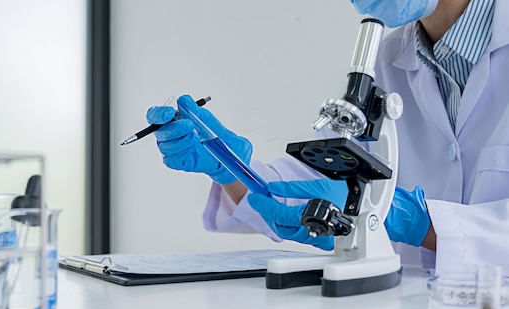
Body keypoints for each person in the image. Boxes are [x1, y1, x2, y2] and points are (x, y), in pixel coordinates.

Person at [145, 0, 509, 277]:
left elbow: (365, 202)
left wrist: (415, 220)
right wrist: (231, 167)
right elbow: (324, 184)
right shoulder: (385, 60)